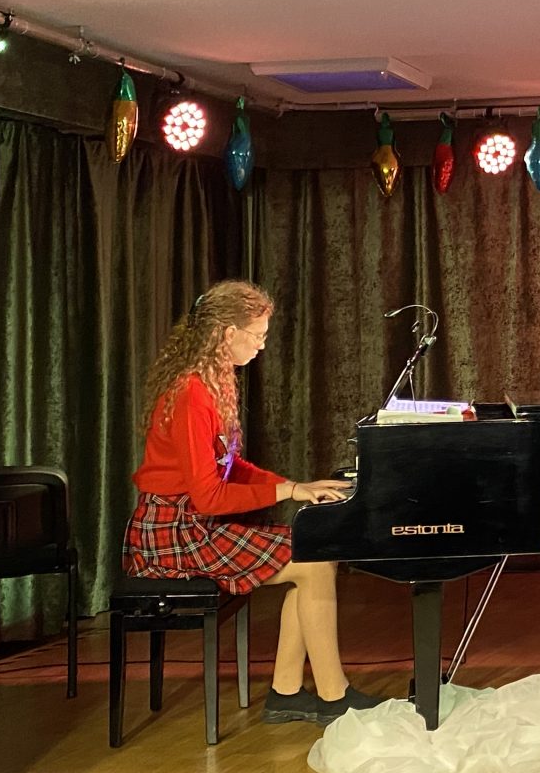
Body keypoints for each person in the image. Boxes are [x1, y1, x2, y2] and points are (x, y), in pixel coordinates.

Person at [122, 279, 387, 726]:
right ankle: (333, 696)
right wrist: (288, 491)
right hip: (173, 532)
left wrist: (295, 485)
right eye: (258, 335)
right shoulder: (190, 393)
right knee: (313, 563)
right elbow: (208, 496)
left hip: (193, 523)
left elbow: (232, 466)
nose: (262, 345)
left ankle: (288, 692)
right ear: (228, 333)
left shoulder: (214, 382)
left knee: (316, 557)